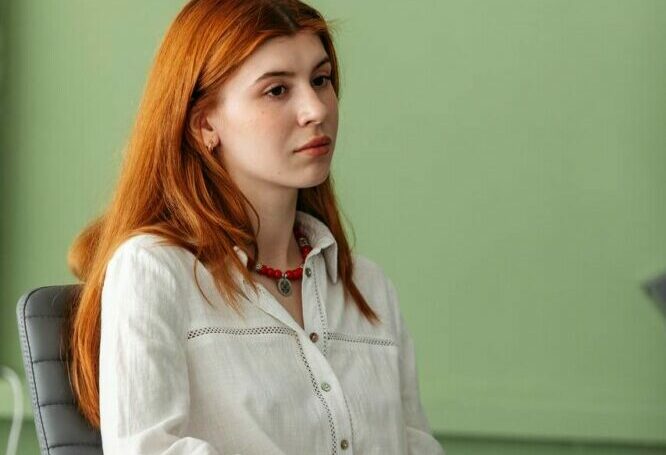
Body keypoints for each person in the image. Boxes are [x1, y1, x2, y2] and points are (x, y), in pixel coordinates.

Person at [64, 0, 444, 453]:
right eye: (277, 90)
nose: (315, 109)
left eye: (320, 80)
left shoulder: (369, 287)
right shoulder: (154, 270)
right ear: (205, 123)